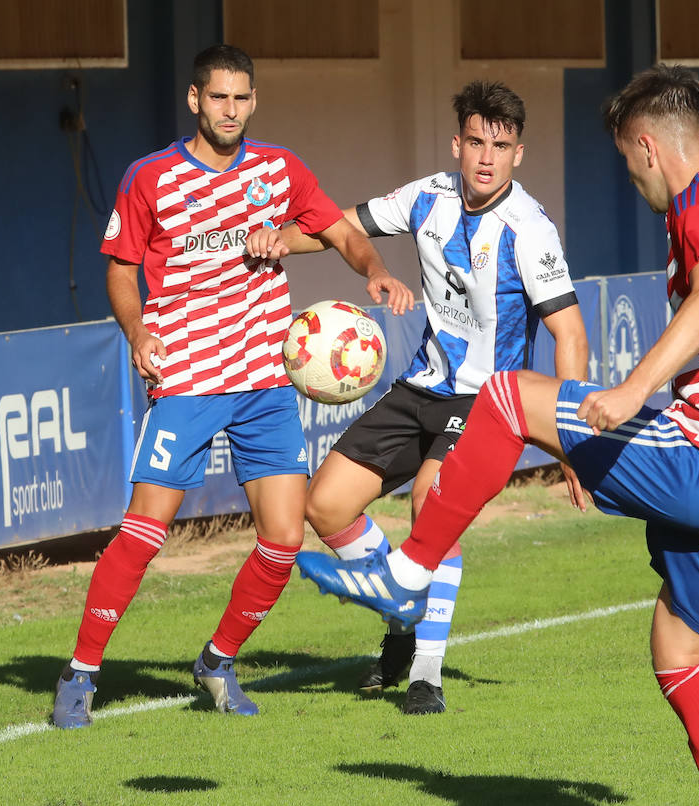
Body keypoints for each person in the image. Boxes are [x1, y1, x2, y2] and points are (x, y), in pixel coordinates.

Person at [295, 64, 699, 806]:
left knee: (511, 396)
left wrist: (630, 390)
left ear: (650, 146)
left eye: (630, 161)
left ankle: (409, 576)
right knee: (679, 653)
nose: (634, 178)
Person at [51, 44, 412, 729]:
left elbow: (339, 230)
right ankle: (82, 671)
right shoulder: (148, 177)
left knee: (282, 538)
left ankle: (217, 662)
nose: (231, 110)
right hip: (186, 380)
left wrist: (374, 272)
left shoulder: (278, 170)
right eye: (219, 97)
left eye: (242, 98)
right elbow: (122, 271)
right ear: (195, 100)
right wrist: (138, 333)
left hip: (265, 384)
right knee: (143, 534)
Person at [246, 81, 590, 715]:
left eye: (502, 145)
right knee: (324, 504)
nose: (488, 157)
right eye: (477, 142)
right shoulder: (426, 197)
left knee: (434, 505)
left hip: (490, 403)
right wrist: (278, 239)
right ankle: (401, 615)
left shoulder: (531, 229)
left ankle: (425, 673)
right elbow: (336, 225)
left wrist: (569, 440)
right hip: (421, 386)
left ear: (520, 154)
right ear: (457, 144)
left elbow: (569, 335)